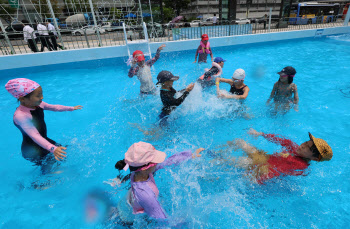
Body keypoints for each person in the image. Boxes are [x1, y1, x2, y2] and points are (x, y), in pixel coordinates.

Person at [5, 78, 83, 174]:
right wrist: (52, 148)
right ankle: (41, 185)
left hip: (44, 140)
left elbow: (54, 107)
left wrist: (71, 108)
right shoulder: (21, 116)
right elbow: (35, 135)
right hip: (32, 149)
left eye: (41, 94)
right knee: (49, 165)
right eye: (38, 95)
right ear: (22, 99)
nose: (42, 97)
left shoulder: (38, 104)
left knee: (62, 154)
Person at [113, 142, 204, 220]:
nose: (158, 162)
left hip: (125, 205)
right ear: (145, 168)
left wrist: (189, 155)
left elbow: (167, 162)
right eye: (155, 161)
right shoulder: (146, 195)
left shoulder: (139, 173)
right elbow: (162, 221)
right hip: (128, 219)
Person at [223, 128, 333, 184]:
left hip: (261, 167)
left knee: (233, 161)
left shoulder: (300, 165)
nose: (303, 146)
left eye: (308, 148)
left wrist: (257, 179)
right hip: (264, 157)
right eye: (306, 143)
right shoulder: (295, 149)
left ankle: (212, 158)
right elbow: (284, 141)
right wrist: (261, 134)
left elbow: (277, 171)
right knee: (239, 141)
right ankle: (219, 150)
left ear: (314, 158)